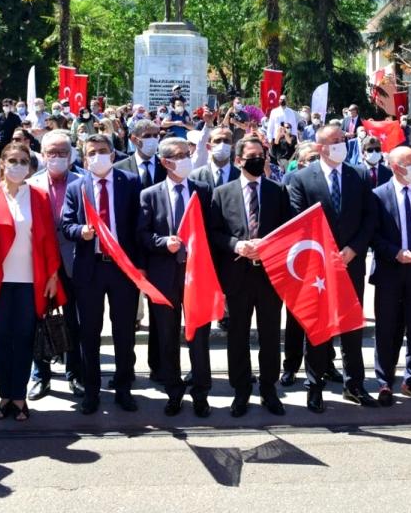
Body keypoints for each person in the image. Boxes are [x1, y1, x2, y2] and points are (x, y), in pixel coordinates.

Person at [0, 142, 64, 422]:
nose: (18, 165)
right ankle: (4, 396)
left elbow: (48, 239)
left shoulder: (40, 196)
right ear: (2, 164)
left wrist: (52, 275)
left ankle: (19, 397)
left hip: (29, 281)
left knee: (23, 340)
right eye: (13, 160)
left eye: (24, 161)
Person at [287, 124, 378, 412]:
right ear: (321, 147)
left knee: (352, 326)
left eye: (343, 139)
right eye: (336, 141)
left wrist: (354, 249)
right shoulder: (302, 178)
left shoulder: (359, 175)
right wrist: (325, 253)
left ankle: (355, 385)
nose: (342, 144)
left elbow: (370, 216)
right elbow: (298, 221)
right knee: (318, 327)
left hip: (351, 263)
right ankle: (314, 387)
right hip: (318, 267)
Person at [61, 133, 143, 414]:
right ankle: (92, 391)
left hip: (122, 268)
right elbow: (66, 224)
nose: (98, 155)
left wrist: (138, 266)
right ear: (85, 157)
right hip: (90, 268)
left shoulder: (129, 182)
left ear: (112, 154)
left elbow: (138, 225)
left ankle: (123, 388)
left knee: (123, 333)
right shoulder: (76, 187)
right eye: (92, 151)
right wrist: (80, 232)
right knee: (90, 333)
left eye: (103, 150)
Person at [208, 137, 289, 417]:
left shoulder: (278, 191)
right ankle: (241, 390)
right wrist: (236, 245)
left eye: (262, 155)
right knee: (238, 336)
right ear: (239, 160)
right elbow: (214, 233)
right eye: (252, 155)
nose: (259, 159)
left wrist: (268, 247)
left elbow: (287, 231)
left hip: (269, 276)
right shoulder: (222, 193)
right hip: (237, 276)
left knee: (269, 336)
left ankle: (269, 389)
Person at [136, 138, 214, 417]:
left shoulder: (203, 191)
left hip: (197, 276)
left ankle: (201, 392)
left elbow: (213, 231)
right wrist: (161, 242)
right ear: (165, 162)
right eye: (179, 155)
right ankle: (174, 391)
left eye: (187, 154)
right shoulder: (150, 194)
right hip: (164, 275)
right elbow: (142, 235)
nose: (185, 159)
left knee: (199, 336)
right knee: (167, 337)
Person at [371, 146, 411, 406]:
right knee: (387, 329)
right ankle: (385, 381)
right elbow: (372, 235)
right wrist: (394, 252)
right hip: (389, 270)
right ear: (396, 167)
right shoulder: (377, 196)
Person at [27, 130, 86, 399]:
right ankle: (40, 376)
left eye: (63, 153)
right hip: (40, 263)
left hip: (74, 261)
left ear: (72, 154)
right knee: (38, 319)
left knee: (74, 320)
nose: (57, 158)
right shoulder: (31, 184)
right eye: (52, 153)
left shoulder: (83, 183)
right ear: (42, 154)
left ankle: (74, 373)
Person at [116, 119, 163, 186]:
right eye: (147, 136)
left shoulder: (166, 166)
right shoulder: (119, 168)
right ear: (134, 139)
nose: (152, 139)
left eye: (155, 136)